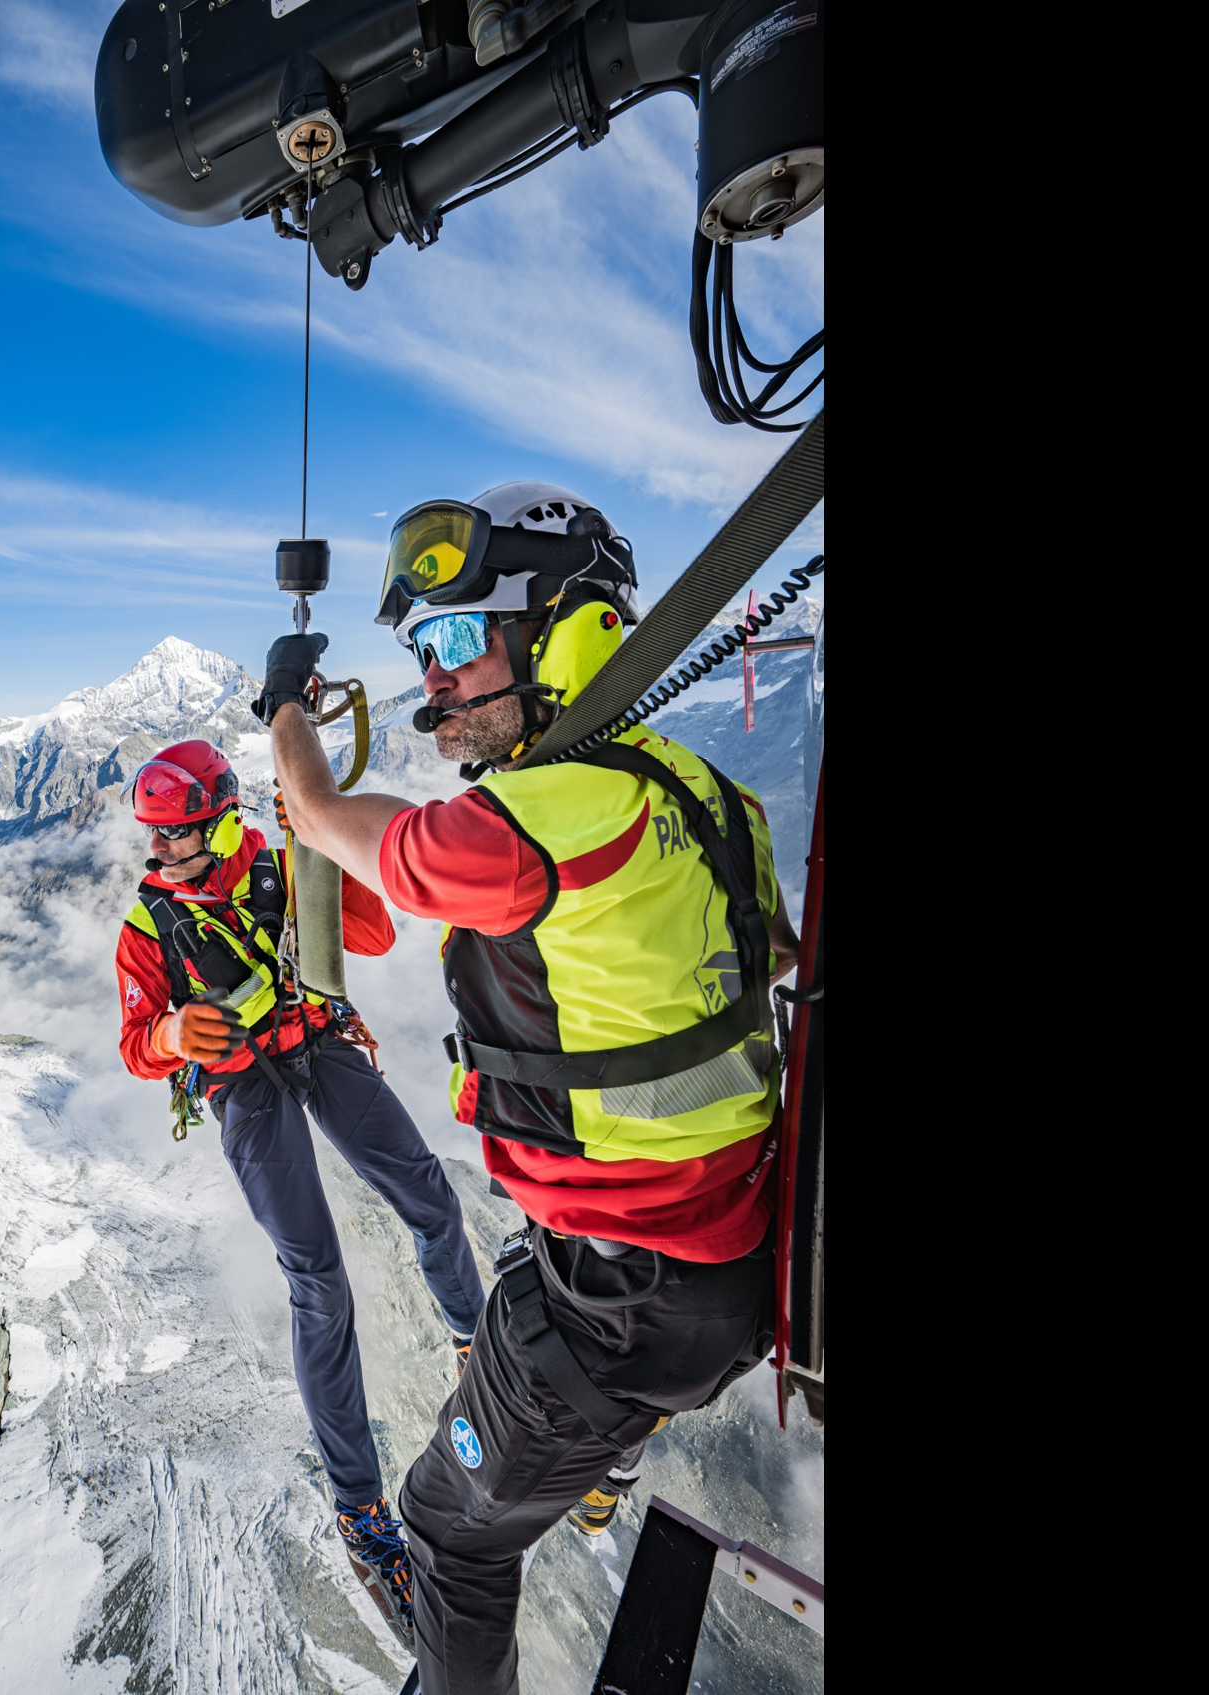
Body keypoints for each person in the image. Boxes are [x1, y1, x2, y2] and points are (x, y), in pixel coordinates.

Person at [250, 485, 801, 1695]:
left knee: (443, 1533)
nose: (432, 681)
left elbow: (314, 811)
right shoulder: (714, 800)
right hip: (726, 1263)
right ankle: (599, 1453)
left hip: (625, 1304)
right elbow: (758, 967)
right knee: (509, 1290)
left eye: (454, 641)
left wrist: (284, 699)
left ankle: (588, 1447)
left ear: (560, 633)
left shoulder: (521, 824)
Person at [111, 737, 487, 1647]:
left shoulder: (277, 864)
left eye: (170, 836)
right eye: (153, 839)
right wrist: (172, 1034)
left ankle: (475, 1339)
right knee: (317, 1281)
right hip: (242, 1082)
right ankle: (361, 1512)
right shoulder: (148, 925)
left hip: (312, 1040)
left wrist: (317, 852)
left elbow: (371, 933)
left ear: (213, 820)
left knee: (428, 1198)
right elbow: (134, 1042)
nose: (155, 852)